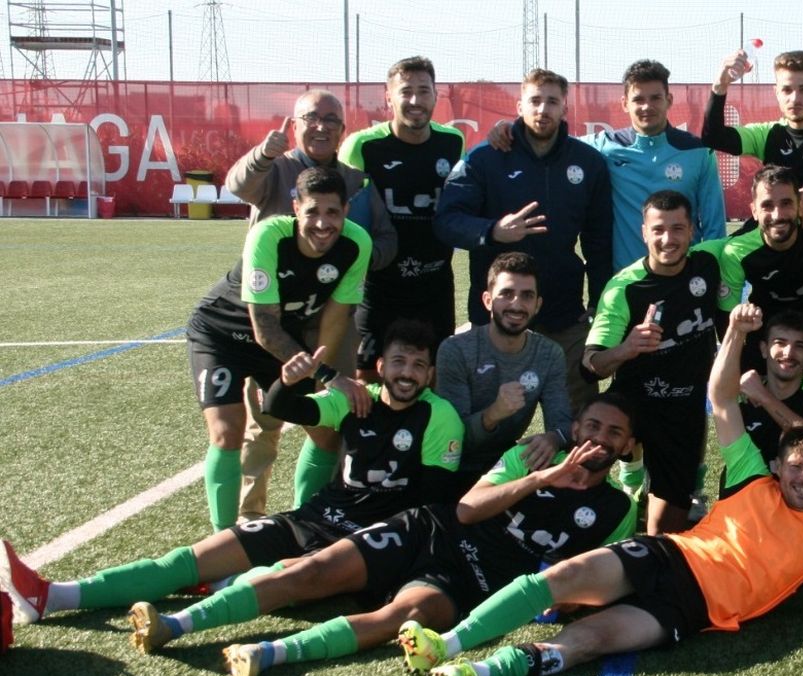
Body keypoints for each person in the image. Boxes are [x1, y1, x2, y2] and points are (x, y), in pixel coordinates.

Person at [398, 303, 803, 676]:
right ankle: (448, 642)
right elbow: (720, 397)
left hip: (691, 610)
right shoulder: (751, 478)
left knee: (589, 642)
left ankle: (480, 674)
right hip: (668, 555)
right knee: (555, 579)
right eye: (797, 467)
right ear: (778, 466)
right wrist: (736, 333)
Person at [0, 321, 464, 637]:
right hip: (313, 518)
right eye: (399, 362)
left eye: (418, 365)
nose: (408, 374)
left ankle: (182, 619)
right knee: (187, 559)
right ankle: (51, 595)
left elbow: (431, 502)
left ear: (431, 373)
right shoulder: (357, 398)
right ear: (380, 367)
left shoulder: (439, 417)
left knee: (276, 577)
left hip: (363, 540)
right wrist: (288, 380)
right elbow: (283, 408)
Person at [157, 395, 636, 676]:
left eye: (614, 433)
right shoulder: (531, 456)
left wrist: (563, 603)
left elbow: (585, 577)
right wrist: (541, 479)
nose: (600, 438)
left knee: (402, 618)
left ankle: (270, 653)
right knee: (313, 571)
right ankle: (177, 624)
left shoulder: (619, 509)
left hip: (471, 579)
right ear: (575, 428)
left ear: (626, 447)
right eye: (592, 426)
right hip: (430, 531)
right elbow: (468, 509)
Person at [224, 89, 400, 524]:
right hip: (273, 320)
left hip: (332, 320)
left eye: (330, 120)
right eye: (311, 118)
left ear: (343, 130)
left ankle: (316, 514)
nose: (320, 126)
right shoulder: (277, 167)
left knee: (330, 419)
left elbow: (387, 239)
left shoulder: (357, 181)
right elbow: (237, 186)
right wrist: (263, 153)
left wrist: (345, 260)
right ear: (295, 124)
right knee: (264, 421)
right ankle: (249, 520)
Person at [186, 167, 374, 532]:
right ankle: (222, 540)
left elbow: (334, 320)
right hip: (223, 335)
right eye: (312, 213)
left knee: (325, 433)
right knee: (227, 431)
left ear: (346, 210)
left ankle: (306, 527)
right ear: (295, 209)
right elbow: (265, 329)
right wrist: (329, 376)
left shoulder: (357, 244)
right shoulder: (268, 235)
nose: (323, 224)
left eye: (332, 213)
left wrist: (325, 383)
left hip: (282, 346)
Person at [435, 69, 612, 409]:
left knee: (576, 417)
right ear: (519, 105)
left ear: (565, 109)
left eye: (552, 102)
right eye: (535, 100)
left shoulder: (588, 163)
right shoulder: (485, 158)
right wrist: (493, 230)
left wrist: (599, 300)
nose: (543, 110)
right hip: (496, 316)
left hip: (563, 311)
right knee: (486, 417)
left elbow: (598, 240)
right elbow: (447, 221)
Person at [583, 191, 726, 534]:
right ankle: (627, 477)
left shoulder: (709, 262)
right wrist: (627, 348)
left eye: (678, 229)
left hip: (684, 411)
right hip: (634, 406)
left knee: (664, 533)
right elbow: (590, 364)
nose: (668, 239)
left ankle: (653, 495)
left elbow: (761, 231)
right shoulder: (624, 289)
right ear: (644, 232)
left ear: (692, 231)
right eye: (658, 229)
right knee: (587, 482)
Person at [338, 56, 466, 376]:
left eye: (424, 91)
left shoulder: (453, 142)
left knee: (433, 376)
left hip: (434, 284)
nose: (415, 101)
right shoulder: (362, 146)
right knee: (366, 377)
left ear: (436, 96)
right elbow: (341, 213)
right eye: (405, 91)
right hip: (378, 286)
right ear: (388, 96)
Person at [435, 253, 573, 477]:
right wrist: (492, 414)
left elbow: (563, 424)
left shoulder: (549, 353)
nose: (516, 304)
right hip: (450, 465)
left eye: (527, 296)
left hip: (506, 463)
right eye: (506, 294)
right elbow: (452, 439)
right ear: (488, 300)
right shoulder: (455, 350)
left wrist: (553, 439)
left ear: (537, 305)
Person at [582, 60, 726, 272]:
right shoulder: (606, 146)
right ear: (624, 103)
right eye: (638, 99)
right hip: (627, 284)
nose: (647, 107)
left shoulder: (699, 152)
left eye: (655, 98)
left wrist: (710, 276)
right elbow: (556, 141)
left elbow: (714, 228)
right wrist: (514, 130)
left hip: (684, 283)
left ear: (669, 100)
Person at [719, 165, 803, 389]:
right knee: (758, 400)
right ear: (753, 210)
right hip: (772, 324)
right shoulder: (736, 252)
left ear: (800, 202)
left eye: (786, 203)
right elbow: (727, 322)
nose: (777, 215)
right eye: (767, 205)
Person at [704, 49, 803, 190]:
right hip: (782, 219)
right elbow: (714, 138)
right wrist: (720, 86)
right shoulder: (767, 135)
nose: (795, 98)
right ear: (776, 92)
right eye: (787, 90)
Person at [735, 309, 803, 468]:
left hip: (801, 490)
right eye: (780, 343)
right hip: (750, 490)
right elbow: (717, 391)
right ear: (764, 349)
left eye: (799, 346)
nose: (789, 353)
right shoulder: (742, 392)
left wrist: (764, 397)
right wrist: (735, 330)